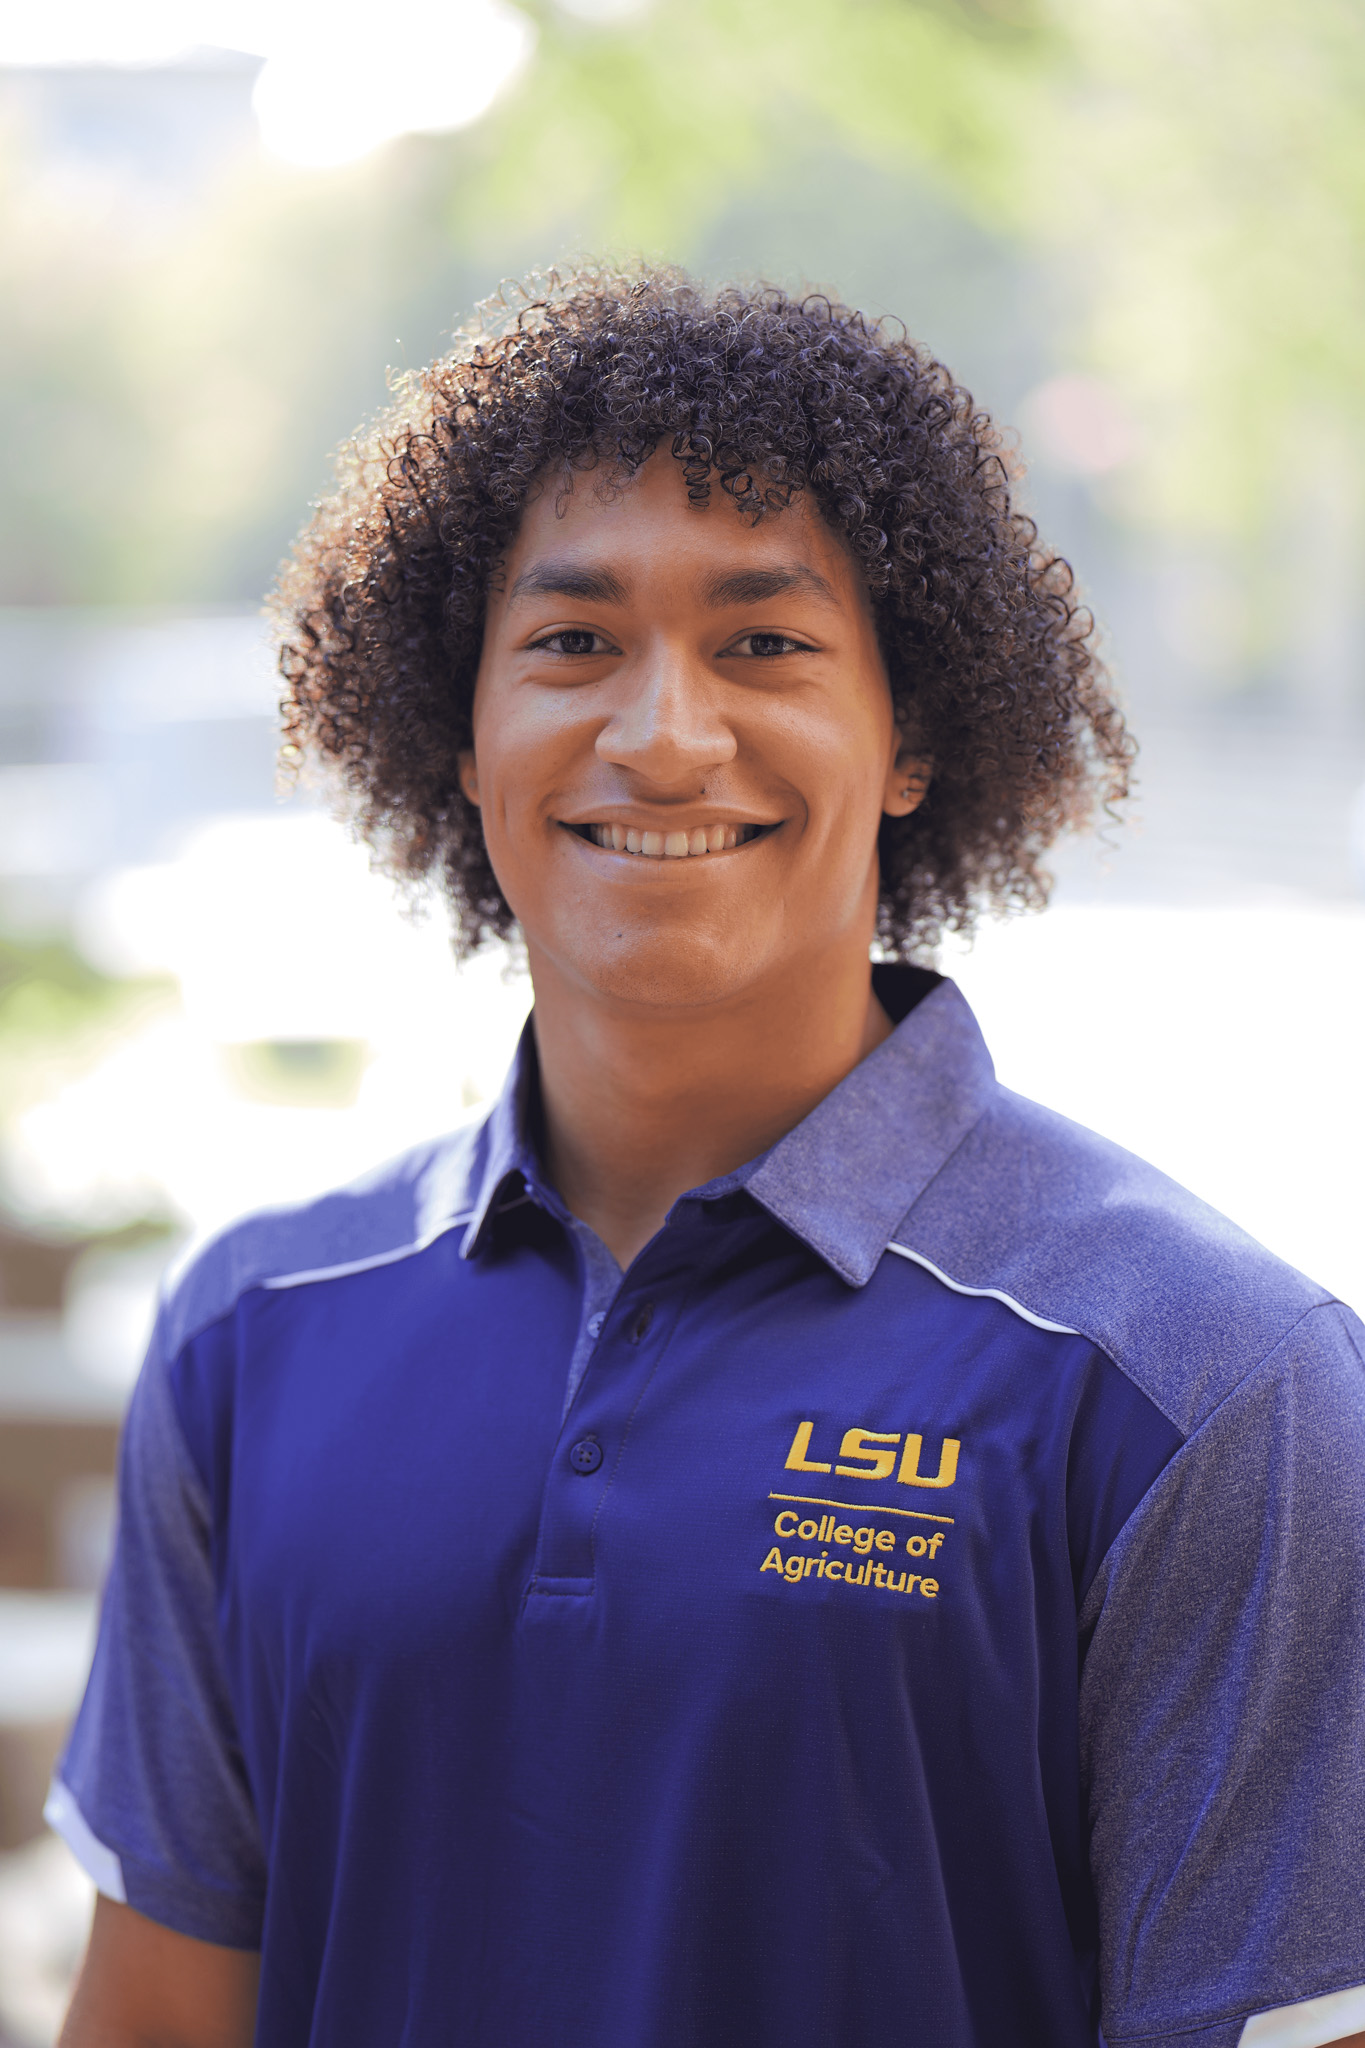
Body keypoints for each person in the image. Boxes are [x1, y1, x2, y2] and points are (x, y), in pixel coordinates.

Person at [51, 268, 1365, 2048]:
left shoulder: (1206, 1384)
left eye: (764, 644)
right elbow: (156, 2020)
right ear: (462, 735)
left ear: (907, 739)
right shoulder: (251, 1333)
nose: (663, 734)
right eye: (571, 643)